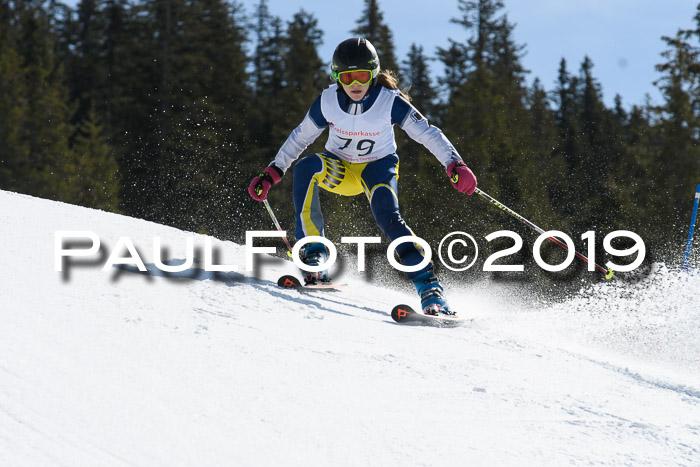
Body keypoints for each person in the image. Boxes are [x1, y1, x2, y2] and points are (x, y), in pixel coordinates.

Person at [248, 37, 477, 316]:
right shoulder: (327, 101)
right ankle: (314, 256)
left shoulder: (389, 101)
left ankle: (429, 288)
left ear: (373, 73)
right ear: (337, 77)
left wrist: (455, 164)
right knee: (306, 167)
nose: (354, 83)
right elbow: (300, 138)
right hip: (340, 169)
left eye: (361, 76)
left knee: (387, 216)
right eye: (347, 76)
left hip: (376, 168)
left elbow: (428, 133)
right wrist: (273, 172)